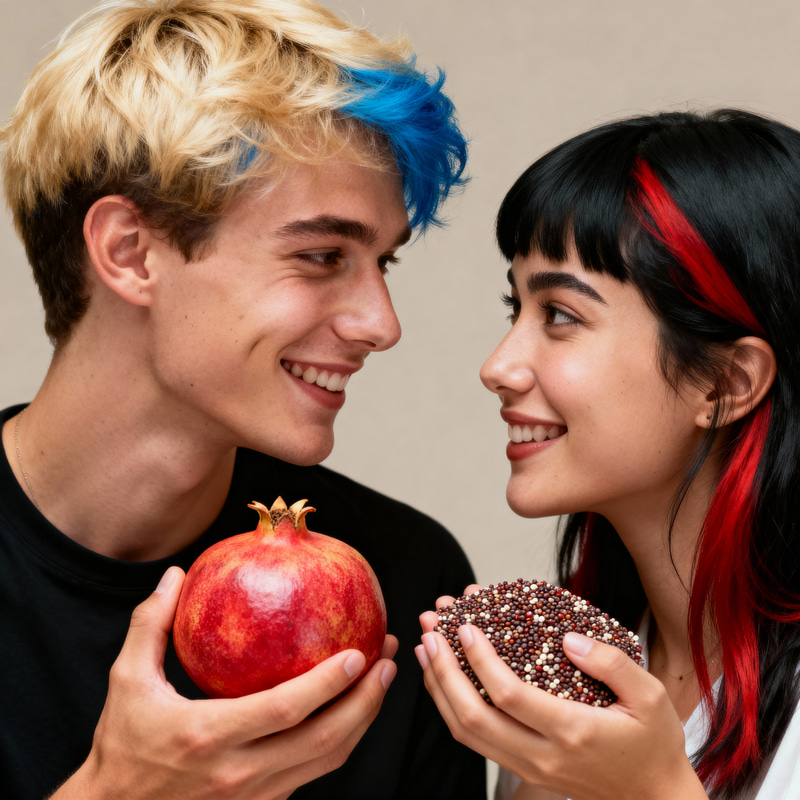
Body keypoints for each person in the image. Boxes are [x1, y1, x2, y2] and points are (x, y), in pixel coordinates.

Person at [0, 1, 487, 798]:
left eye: (382, 266)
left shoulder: (398, 578)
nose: (382, 325)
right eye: (323, 255)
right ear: (131, 253)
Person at [417, 108, 800, 800]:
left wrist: (653, 791)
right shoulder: (563, 680)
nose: (498, 366)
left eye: (560, 315)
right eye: (516, 311)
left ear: (725, 382)